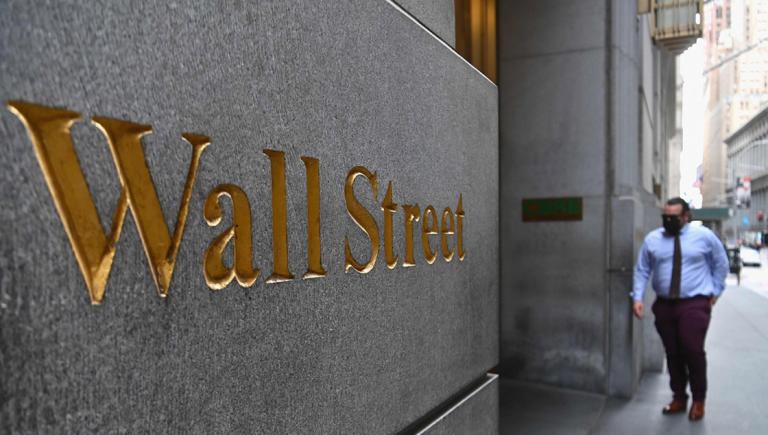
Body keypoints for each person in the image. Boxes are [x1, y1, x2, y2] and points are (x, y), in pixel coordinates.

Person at [631, 197, 729, 422]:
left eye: (673, 217)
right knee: (673, 353)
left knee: (692, 350)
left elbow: (720, 263)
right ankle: (678, 397)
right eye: (665, 216)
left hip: (694, 303)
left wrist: (715, 291)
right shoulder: (653, 240)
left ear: (686, 217)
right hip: (665, 305)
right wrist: (637, 297)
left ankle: (699, 400)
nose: (668, 220)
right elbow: (642, 270)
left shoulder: (704, 237)